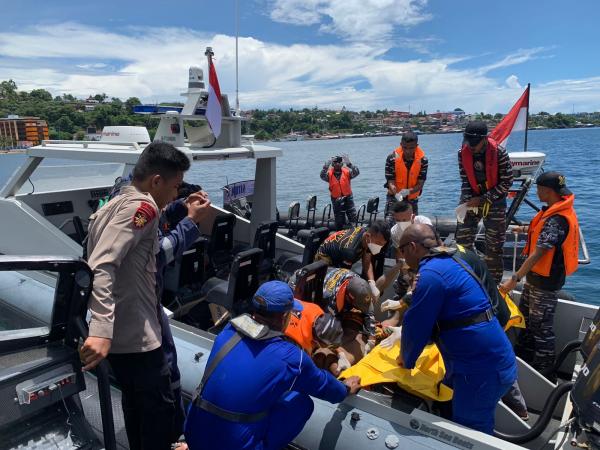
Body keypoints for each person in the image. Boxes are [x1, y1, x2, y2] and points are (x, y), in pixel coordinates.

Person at [80, 142, 193, 450]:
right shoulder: (141, 208)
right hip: (139, 340)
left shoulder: (117, 202)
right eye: (174, 187)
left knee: (135, 407)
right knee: (158, 413)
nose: (174, 194)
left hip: (125, 337)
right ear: (156, 181)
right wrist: (101, 329)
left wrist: (180, 209)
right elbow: (101, 264)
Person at [184, 281, 361, 450]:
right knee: (302, 403)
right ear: (285, 316)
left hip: (194, 434)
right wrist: (345, 388)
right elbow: (326, 387)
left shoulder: (227, 331)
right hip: (234, 445)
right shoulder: (291, 358)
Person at [397, 224, 517, 434]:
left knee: (470, 432)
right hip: (492, 360)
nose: (402, 256)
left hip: (480, 373)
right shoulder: (452, 260)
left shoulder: (431, 275)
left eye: (402, 250)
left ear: (413, 247)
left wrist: (405, 360)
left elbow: (415, 327)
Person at [500, 172, 579, 376]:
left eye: (538, 189)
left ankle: (545, 371)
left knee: (541, 328)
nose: (537, 192)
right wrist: (524, 229)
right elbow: (541, 231)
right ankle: (523, 360)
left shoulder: (557, 219)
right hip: (535, 280)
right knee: (525, 320)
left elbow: (539, 252)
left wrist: (514, 278)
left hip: (545, 283)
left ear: (547, 191)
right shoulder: (553, 213)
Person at [456, 121, 513, 283]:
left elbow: (507, 182)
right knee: (462, 240)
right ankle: (468, 277)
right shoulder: (462, 153)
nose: (472, 147)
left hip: (494, 200)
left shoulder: (499, 153)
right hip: (472, 198)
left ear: (485, 139)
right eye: (469, 143)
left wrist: (483, 199)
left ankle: (493, 284)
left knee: (494, 247)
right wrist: (468, 200)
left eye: (475, 144)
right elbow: (465, 180)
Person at [314, 220, 390, 297]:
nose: (380, 247)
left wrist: (372, 283)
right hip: (324, 261)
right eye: (378, 243)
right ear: (368, 236)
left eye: (382, 245)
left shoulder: (367, 235)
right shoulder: (351, 251)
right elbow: (344, 275)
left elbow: (367, 262)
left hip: (340, 256)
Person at [284, 299, 344, 373]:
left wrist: (341, 353)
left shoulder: (317, 310)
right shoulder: (299, 341)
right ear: (316, 341)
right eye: (329, 346)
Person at [384, 131, 428, 215]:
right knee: (389, 223)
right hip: (394, 198)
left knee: (411, 226)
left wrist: (407, 192)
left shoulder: (423, 160)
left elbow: (420, 184)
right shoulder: (391, 159)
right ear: (401, 144)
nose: (408, 151)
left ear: (416, 146)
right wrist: (396, 194)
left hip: (412, 200)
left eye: (411, 148)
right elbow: (390, 181)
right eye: (404, 147)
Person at [320, 154, 360, 229]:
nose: (337, 164)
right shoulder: (329, 174)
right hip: (336, 200)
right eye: (335, 162)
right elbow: (322, 176)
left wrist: (349, 164)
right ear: (332, 164)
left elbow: (357, 172)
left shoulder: (347, 172)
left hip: (348, 198)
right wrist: (325, 166)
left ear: (342, 163)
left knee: (353, 218)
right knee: (339, 221)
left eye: (339, 162)